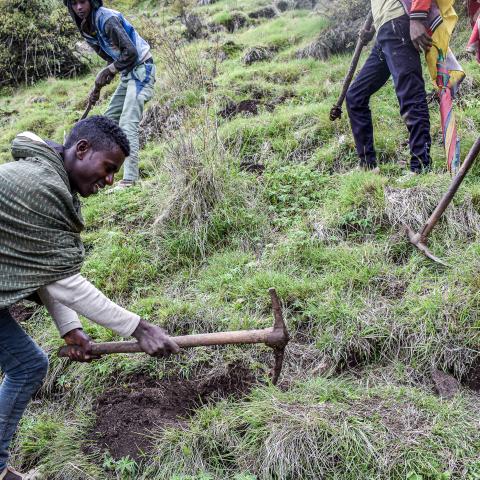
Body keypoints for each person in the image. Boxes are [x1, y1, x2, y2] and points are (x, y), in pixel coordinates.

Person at [0, 116, 179, 480]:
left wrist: (71, 330)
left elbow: (44, 269)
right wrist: (139, 328)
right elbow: (66, 281)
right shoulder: (41, 187)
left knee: (27, 365)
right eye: (109, 167)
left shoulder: (47, 177)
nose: (111, 180)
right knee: (27, 366)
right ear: (82, 149)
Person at [65, 0, 155, 190]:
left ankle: (130, 180)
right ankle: (97, 173)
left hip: (141, 69)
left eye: (83, 2)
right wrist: (100, 82)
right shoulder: (86, 27)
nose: (79, 7)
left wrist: (110, 70)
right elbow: (109, 57)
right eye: (74, 3)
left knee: (128, 121)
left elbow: (130, 52)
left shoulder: (107, 19)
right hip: (127, 73)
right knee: (107, 122)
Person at [346, 0, 437, 173]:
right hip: (385, 29)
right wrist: (373, 28)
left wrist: (417, 17)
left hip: (398, 22)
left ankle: (420, 167)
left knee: (410, 95)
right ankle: (367, 167)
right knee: (355, 96)